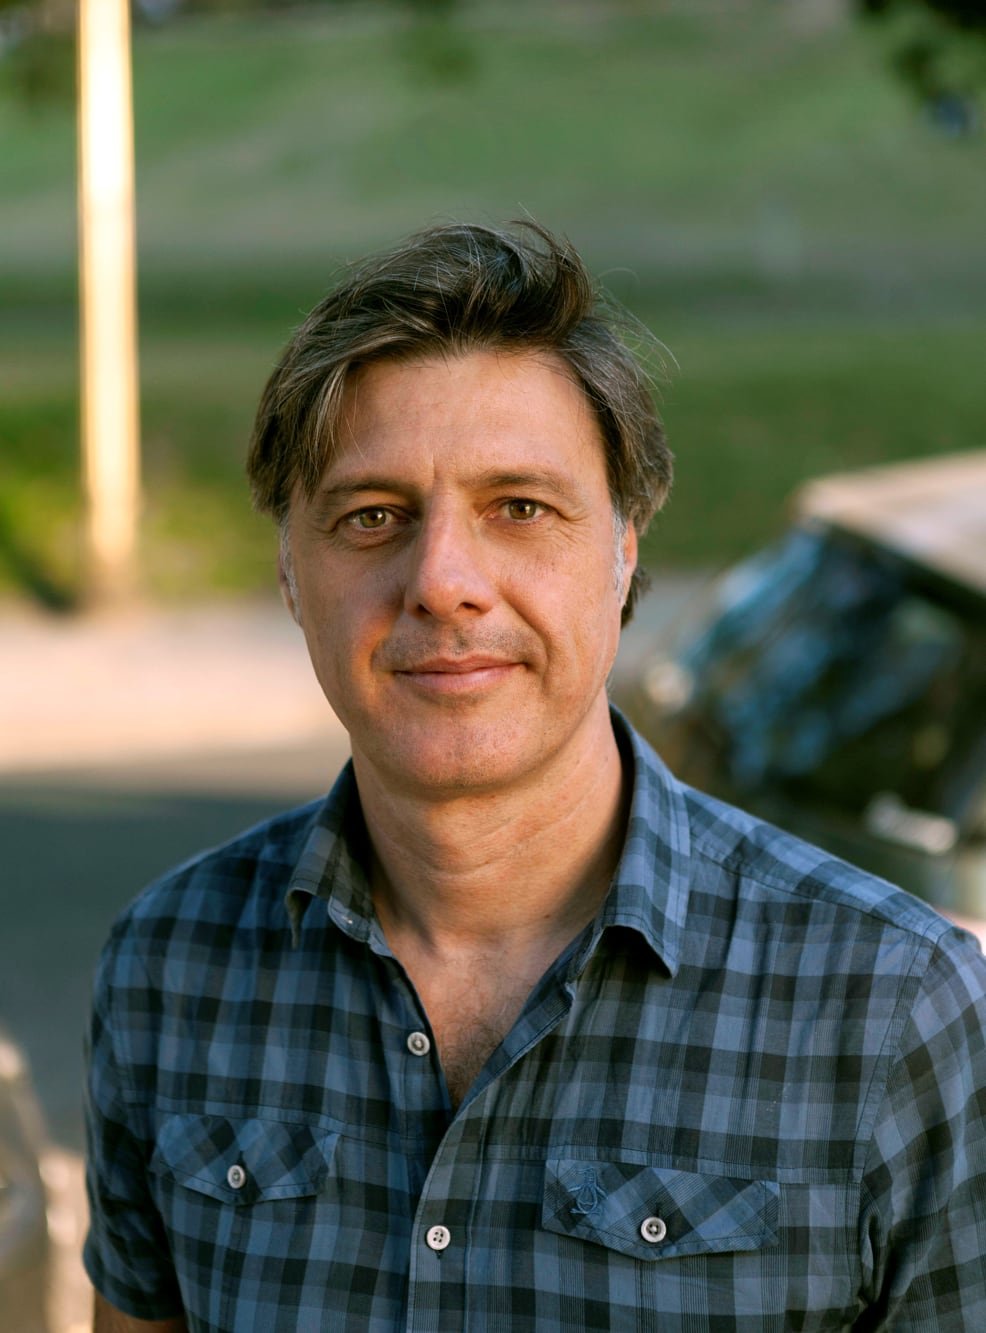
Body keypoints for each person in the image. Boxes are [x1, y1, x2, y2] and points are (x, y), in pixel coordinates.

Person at [84, 222, 986, 1332]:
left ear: (623, 547)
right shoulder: (167, 966)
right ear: (288, 568)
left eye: (519, 507)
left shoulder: (894, 1009)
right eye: (372, 517)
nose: (442, 580)